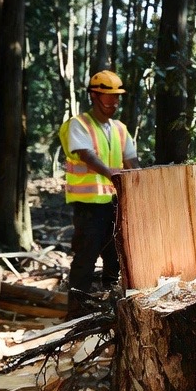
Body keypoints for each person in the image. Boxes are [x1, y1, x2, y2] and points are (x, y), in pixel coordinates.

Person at [59, 70, 140, 318]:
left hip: (115, 203)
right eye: (108, 97)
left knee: (115, 258)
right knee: (85, 257)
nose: (113, 103)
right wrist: (112, 174)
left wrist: (141, 181)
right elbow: (87, 156)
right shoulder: (78, 125)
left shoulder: (120, 129)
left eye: (117, 98)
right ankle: (76, 313)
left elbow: (131, 161)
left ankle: (111, 308)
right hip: (89, 205)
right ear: (94, 95)